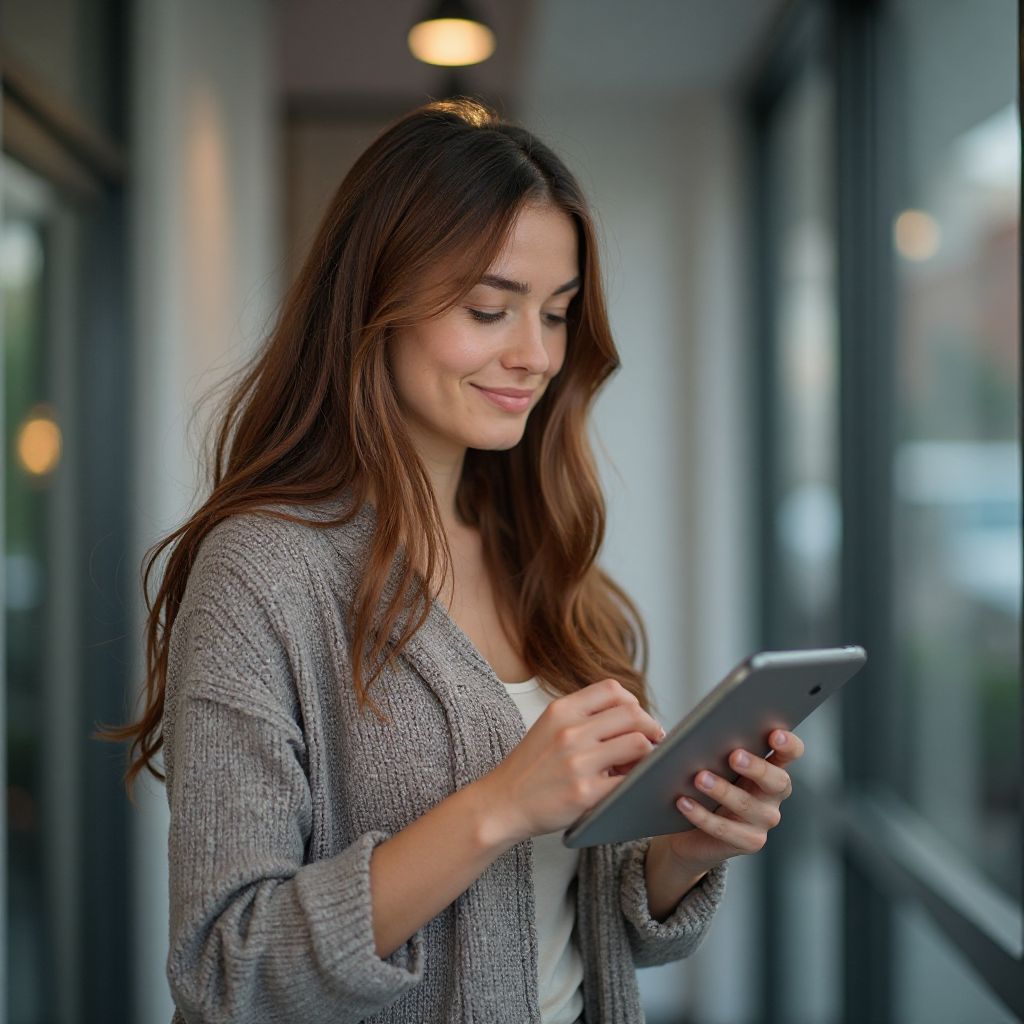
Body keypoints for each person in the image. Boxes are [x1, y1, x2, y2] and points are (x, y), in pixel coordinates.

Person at [99, 96, 805, 1024]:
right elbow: (227, 970)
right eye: (488, 309)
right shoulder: (262, 573)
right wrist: (498, 806)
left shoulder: (537, 556)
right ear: (375, 304)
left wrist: (682, 853)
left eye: (556, 315)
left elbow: (569, 927)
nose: (535, 355)